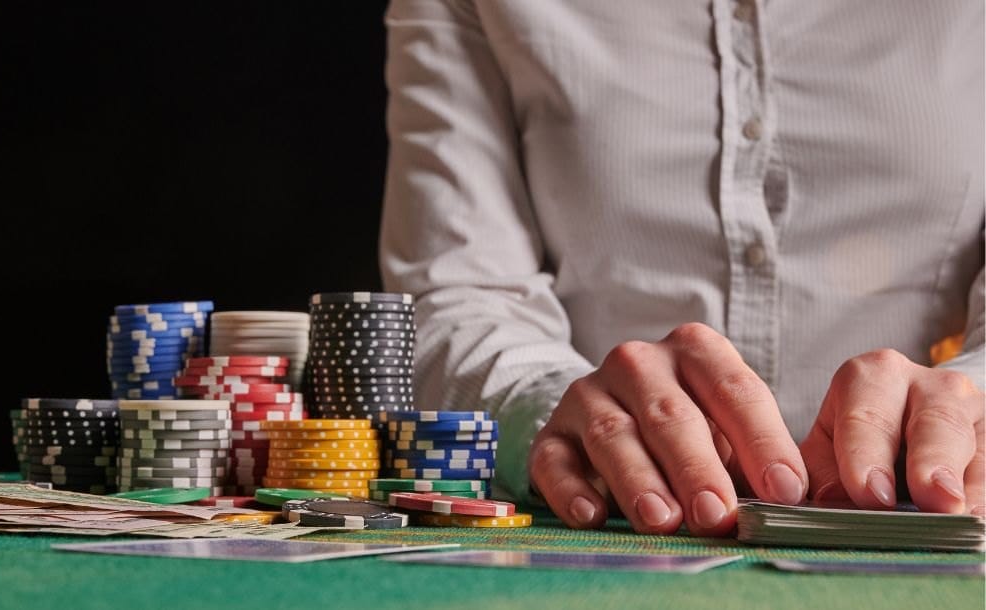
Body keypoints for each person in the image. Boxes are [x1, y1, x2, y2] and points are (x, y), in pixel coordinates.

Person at [377, 0, 984, 535]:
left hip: (932, 514)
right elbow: (455, 291)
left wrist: (967, 402)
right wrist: (553, 407)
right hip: (617, 524)